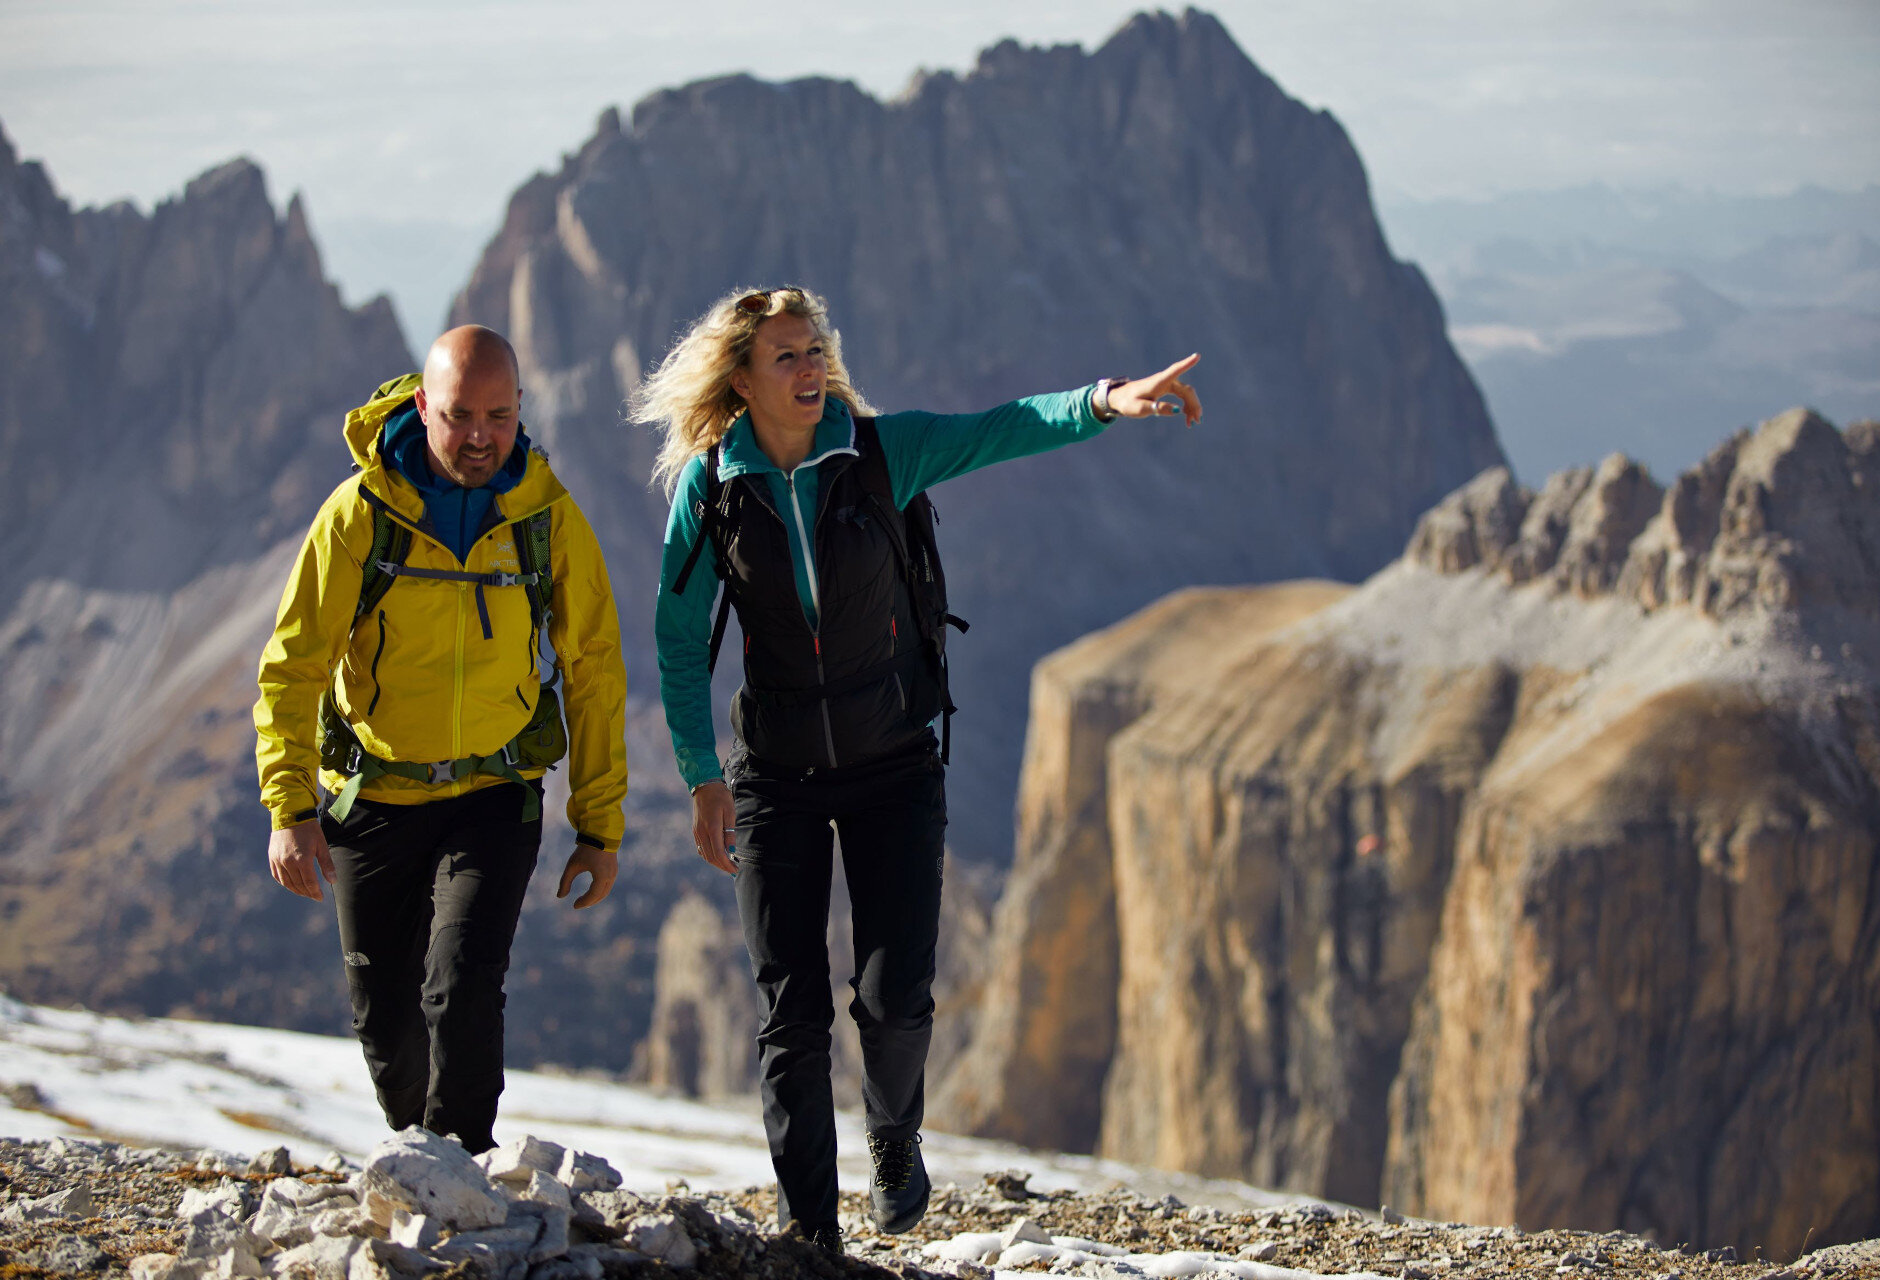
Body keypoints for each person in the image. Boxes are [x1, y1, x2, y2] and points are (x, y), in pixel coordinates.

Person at [636, 287, 1200, 1251]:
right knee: (790, 1014)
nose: (810, 369)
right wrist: (702, 776)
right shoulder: (711, 489)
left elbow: (1001, 429)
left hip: (893, 763)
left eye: (815, 350)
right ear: (741, 381)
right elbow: (680, 640)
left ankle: (894, 1141)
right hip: (775, 776)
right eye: (785, 357)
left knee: (894, 1000)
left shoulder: (881, 452)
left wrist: (1107, 399)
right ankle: (809, 1232)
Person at [254, 325, 627, 1154]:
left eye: (499, 416)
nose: (481, 437)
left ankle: (465, 1179)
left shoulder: (547, 517)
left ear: (520, 407)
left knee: (463, 986)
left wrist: (599, 827)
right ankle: (424, 1163)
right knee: (386, 1027)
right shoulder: (359, 514)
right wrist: (290, 807)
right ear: (423, 406)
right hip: (374, 797)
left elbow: (594, 670)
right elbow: (293, 666)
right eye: (460, 416)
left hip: (495, 792)